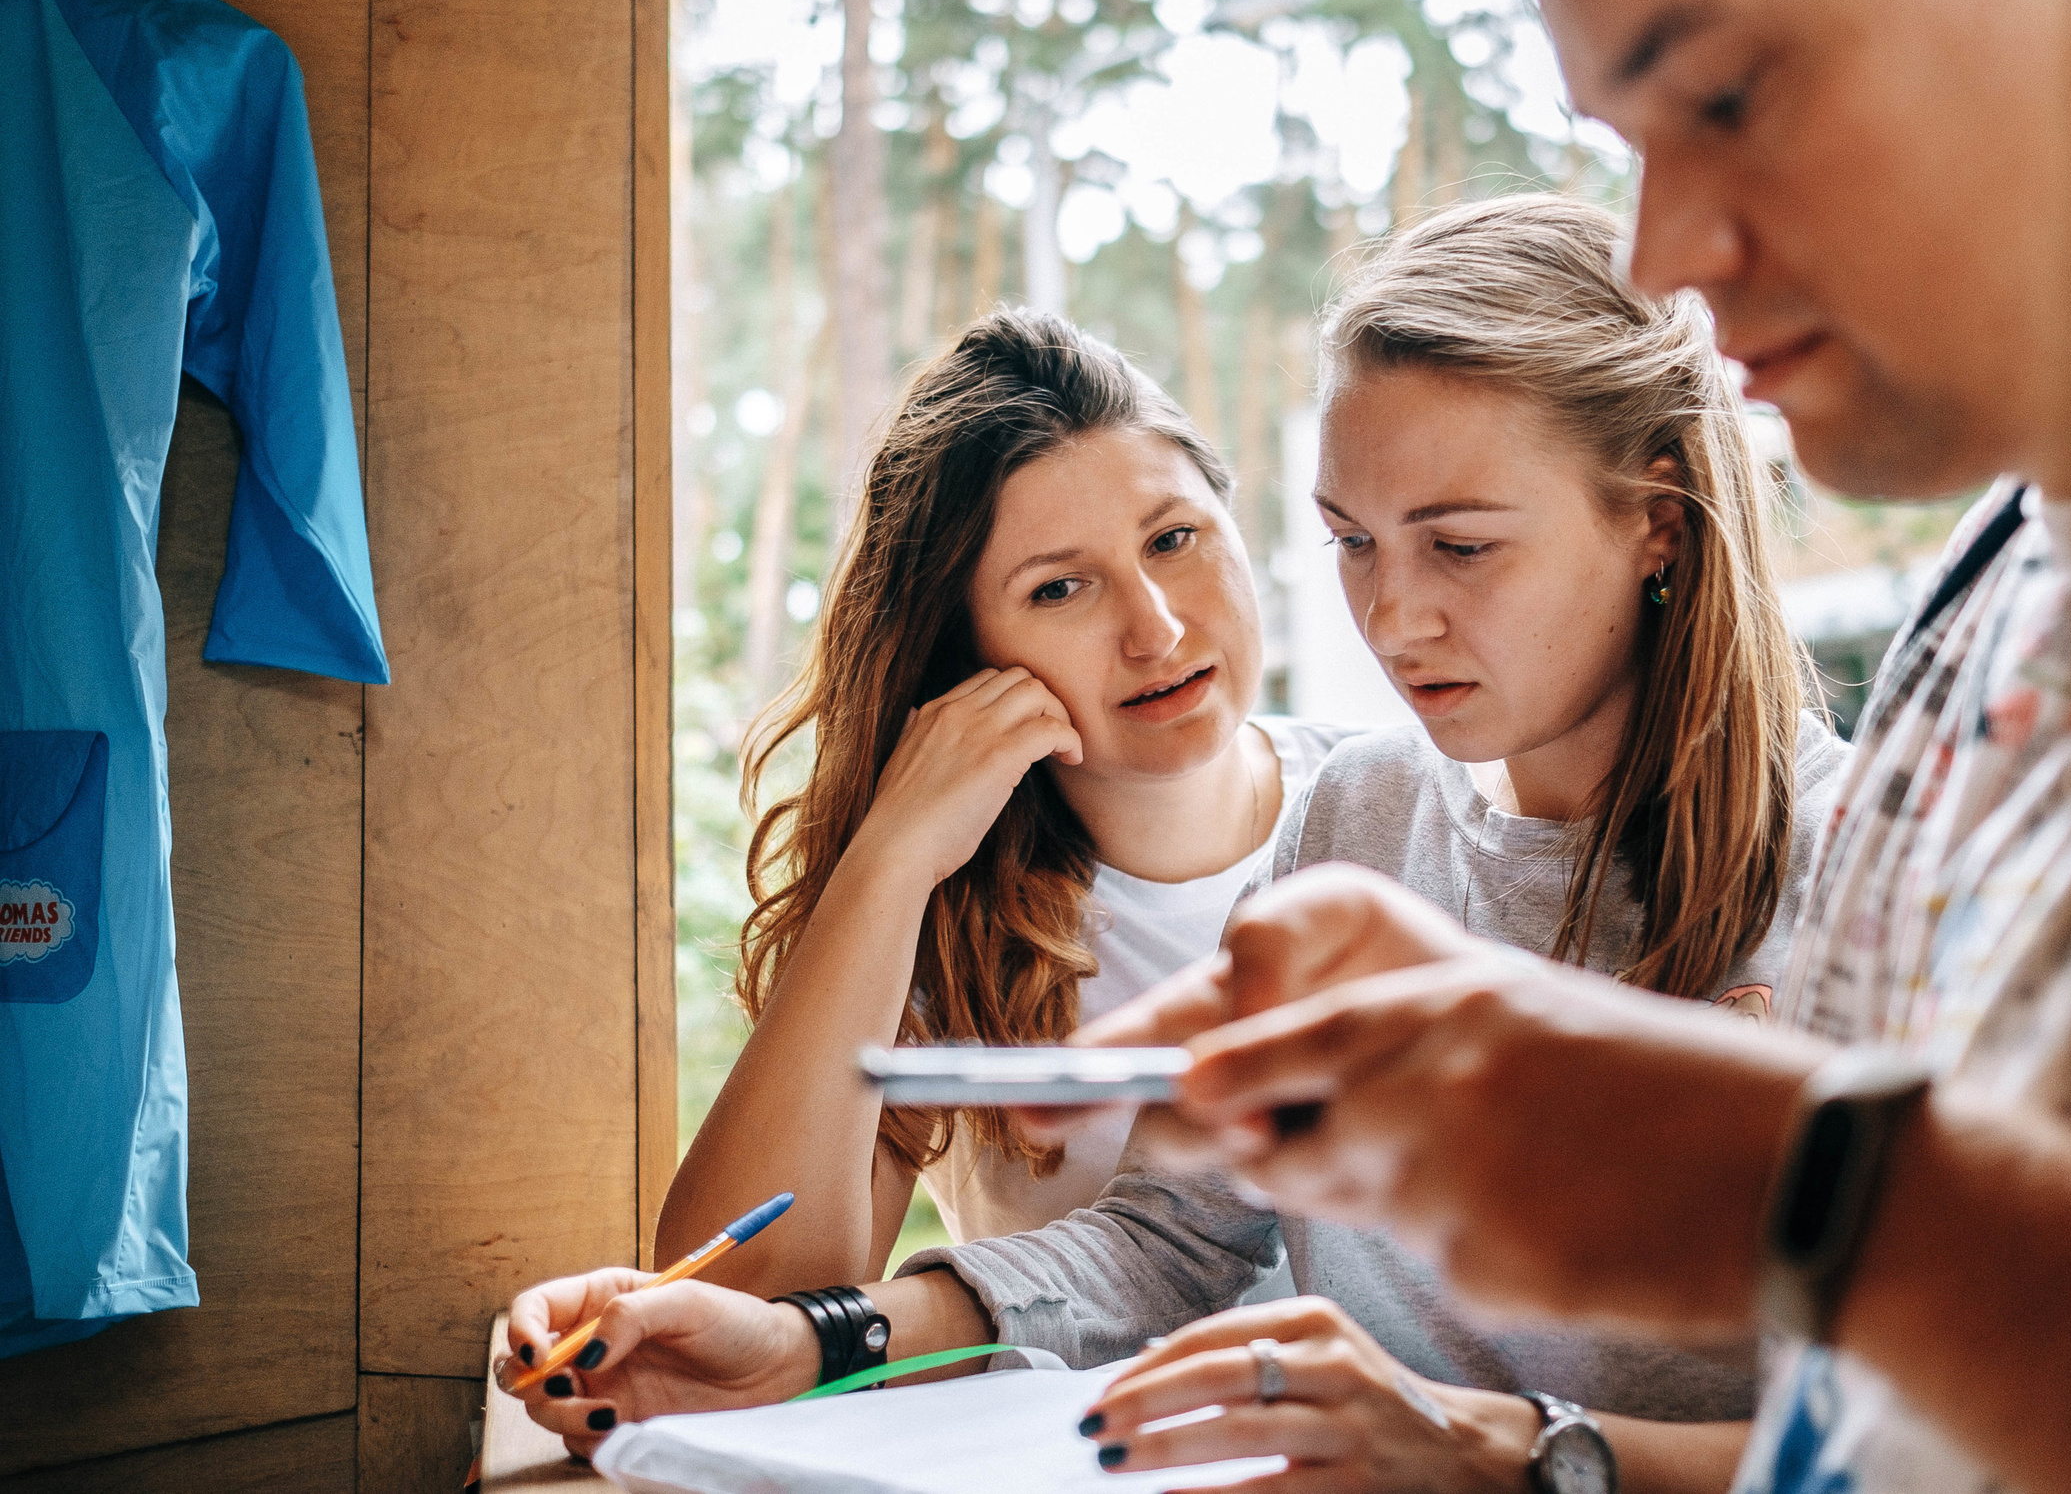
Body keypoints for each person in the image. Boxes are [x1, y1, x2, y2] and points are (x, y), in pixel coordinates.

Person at [1065, 0, 2071, 1494]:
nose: (1665, 255)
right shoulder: (2003, 589)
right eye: (1631, 135)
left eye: (1729, 90)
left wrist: (1780, 1184)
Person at [503, 196, 1849, 1493]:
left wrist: (1503, 1444)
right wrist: (809, 1340)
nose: (1392, 618)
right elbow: (1175, 1232)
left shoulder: (1864, 860)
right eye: (1353, 543)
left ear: (1656, 519)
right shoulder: (1358, 823)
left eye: (1460, 546)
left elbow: (1931, 1429)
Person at [652, 307, 1352, 1300]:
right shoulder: (952, 925)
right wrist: (891, 858)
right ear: (967, 654)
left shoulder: (1403, 805)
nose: (1153, 629)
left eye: (1173, 537)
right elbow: (737, 1308)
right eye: (1060, 590)